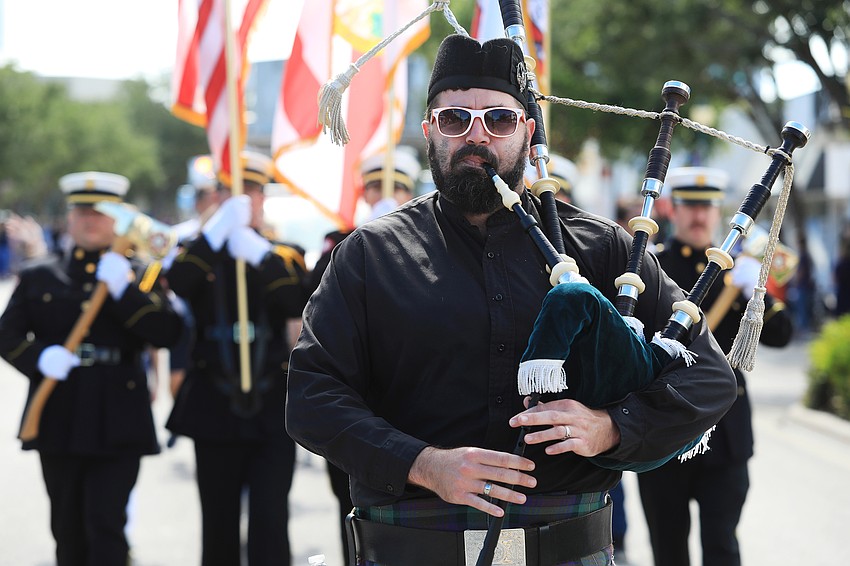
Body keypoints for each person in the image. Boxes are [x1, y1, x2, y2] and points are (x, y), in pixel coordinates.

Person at [286, 34, 736, 566]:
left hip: (568, 545)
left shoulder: (604, 249)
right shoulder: (370, 255)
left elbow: (708, 378)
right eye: (455, 119)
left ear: (527, 132)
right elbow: (312, 397)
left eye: (498, 119)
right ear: (430, 130)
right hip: (414, 544)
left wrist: (610, 427)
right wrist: (424, 464)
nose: (477, 136)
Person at [0, 171, 183, 566]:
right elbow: (7, 335)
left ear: (117, 219)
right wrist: (39, 357)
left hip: (119, 410)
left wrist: (125, 292)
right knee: (67, 529)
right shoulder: (40, 274)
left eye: (101, 212)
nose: (90, 220)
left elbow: (169, 332)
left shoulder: (139, 273)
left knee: (106, 526)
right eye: (82, 211)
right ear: (69, 217)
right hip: (58, 413)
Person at [637, 166, 793, 566]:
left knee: (723, 547)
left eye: (707, 206)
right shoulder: (651, 266)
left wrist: (752, 294)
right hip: (664, 430)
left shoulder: (738, 270)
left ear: (718, 210)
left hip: (725, 433)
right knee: (668, 550)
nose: (699, 215)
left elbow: (782, 335)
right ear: (673, 208)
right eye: (690, 205)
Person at [164, 150, 311, 566]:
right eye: (233, 189)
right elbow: (178, 281)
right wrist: (216, 236)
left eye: (252, 189)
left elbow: (293, 301)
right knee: (218, 522)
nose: (244, 198)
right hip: (215, 400)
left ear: (264, 198)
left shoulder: (284, 253)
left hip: (271, 404)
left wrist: (260, 254)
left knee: (270, 519)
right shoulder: (200, 249)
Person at [359, 145, 422, 221]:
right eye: (378, 188)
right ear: (365, 195)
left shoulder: (419, 231)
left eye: (394, 189)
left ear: (408, 196)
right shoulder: (349, 232)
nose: (385, 195)